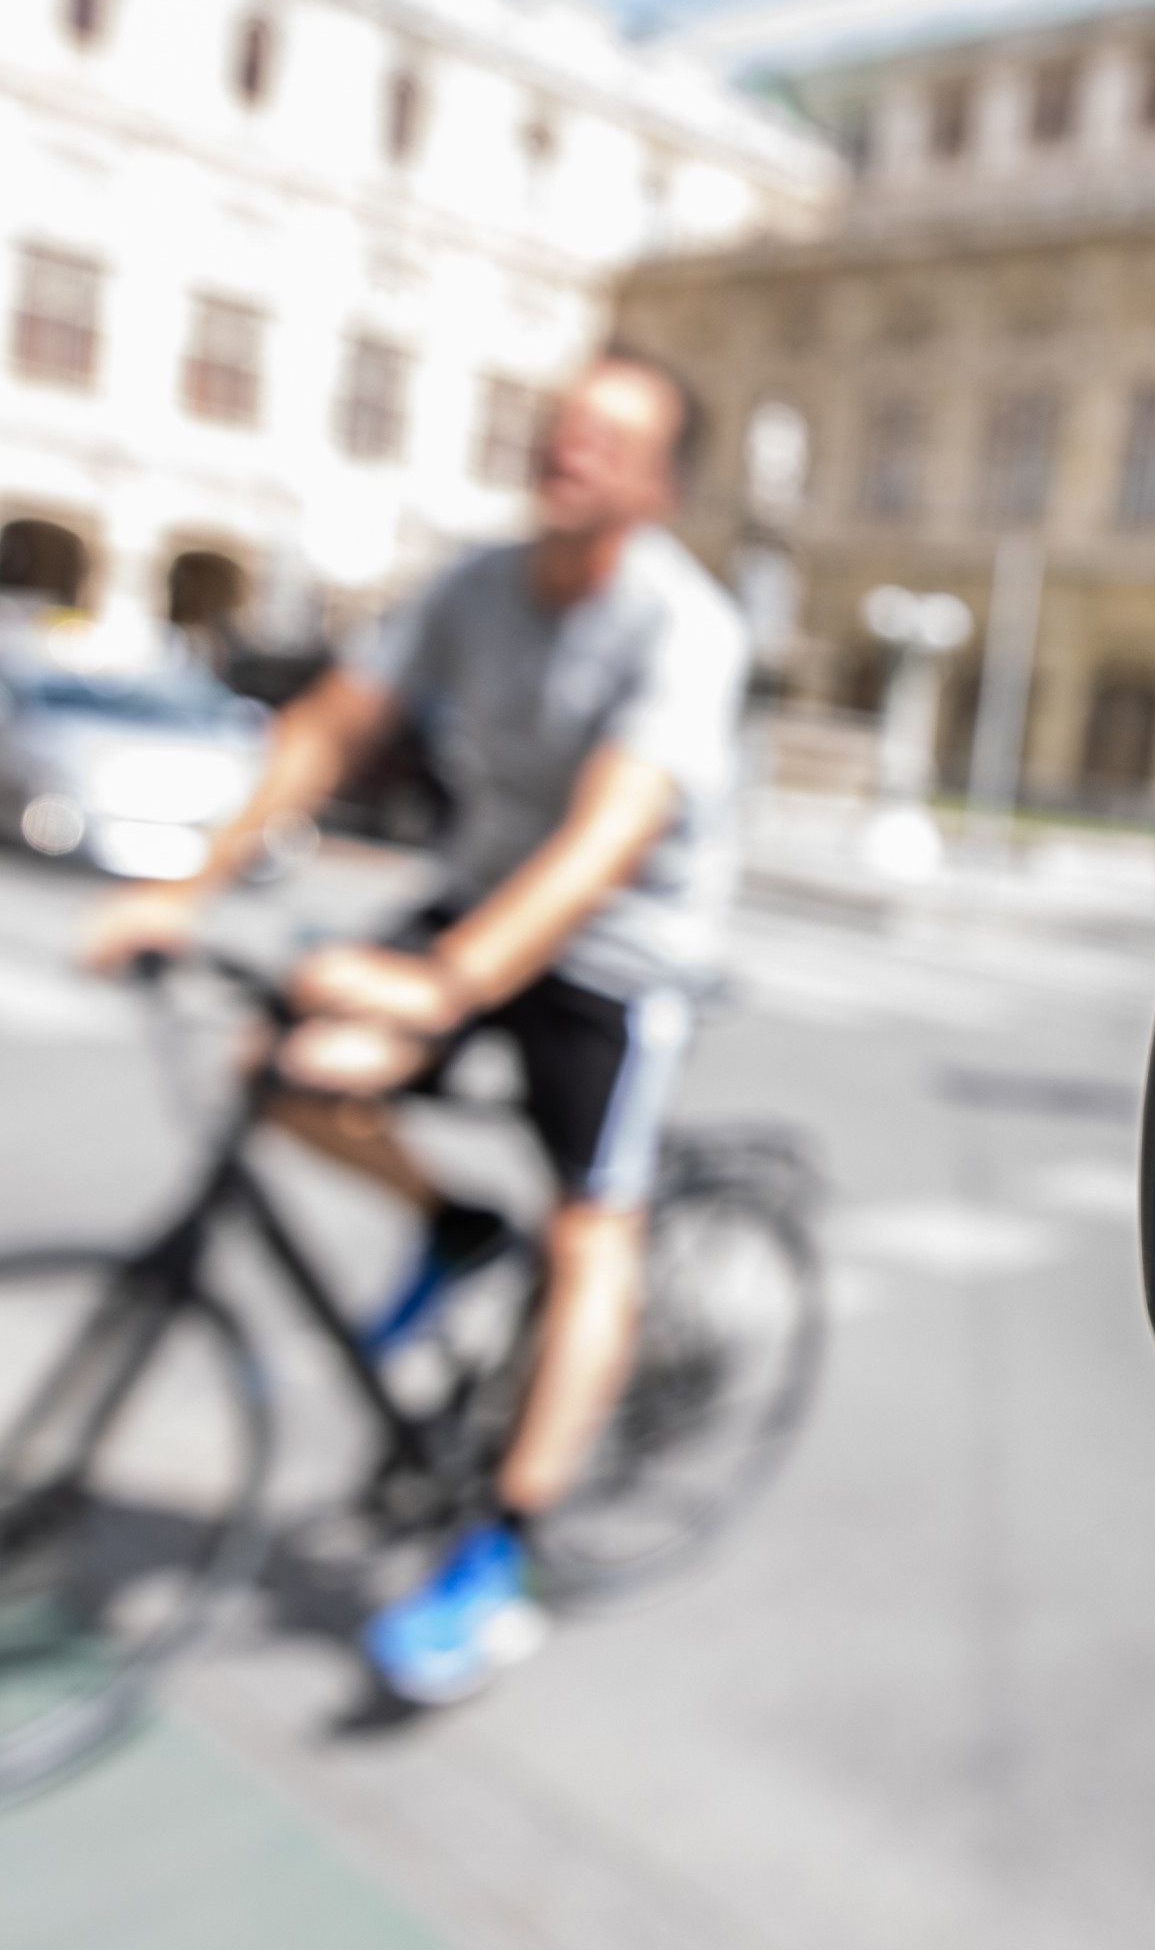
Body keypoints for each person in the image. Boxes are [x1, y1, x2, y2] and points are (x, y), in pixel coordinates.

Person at [83, 348, 748, 1705]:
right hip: (480, 892)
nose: (568, 453)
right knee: (279, 1063)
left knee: (591, 1235)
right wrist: (189, 884)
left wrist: (441, 989)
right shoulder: (474, 585)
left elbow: (609, 835)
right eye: (559, 428)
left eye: (605, 442)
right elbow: (332, 725)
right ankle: (453, 1225)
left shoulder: (685, 628)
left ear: (661, 486)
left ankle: (500, 1552)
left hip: (618, 946)